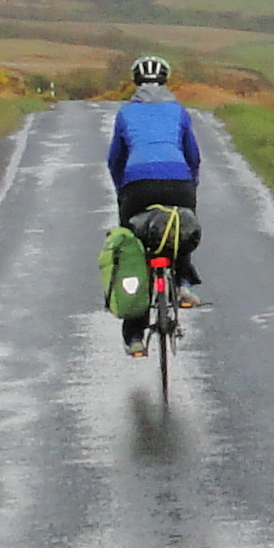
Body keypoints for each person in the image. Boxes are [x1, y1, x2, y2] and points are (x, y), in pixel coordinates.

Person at [106, 55, 204, 354]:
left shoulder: (125, 113)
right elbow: (193, 156)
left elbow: (114, 160)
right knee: (181, 227)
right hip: (179, 181)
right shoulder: (178, 111)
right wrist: (190, 184)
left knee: (134, 252)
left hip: (137, 185)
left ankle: (135, 337)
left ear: (136, 83)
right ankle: (183, 282)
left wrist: (123, 191)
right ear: (165, 82)